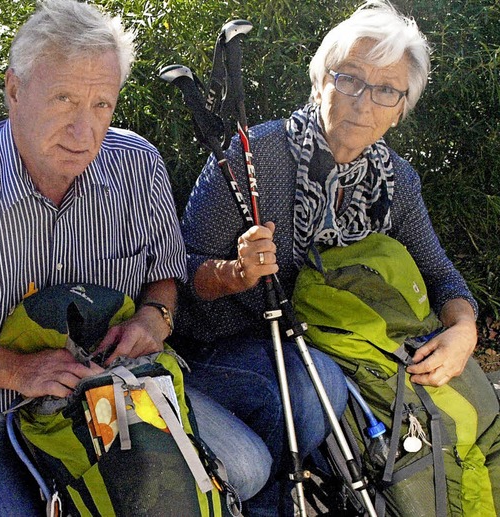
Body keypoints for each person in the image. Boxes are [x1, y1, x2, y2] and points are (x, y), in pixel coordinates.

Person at [0, 1, 270, 515]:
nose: (85, 132)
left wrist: (153, 317)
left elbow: (164, 274)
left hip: (119, 380)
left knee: (247, 469)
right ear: (14, 90)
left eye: (102, 104)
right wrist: (17, 372)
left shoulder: (138, 166)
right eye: (63, 99)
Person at [173, 1, 480, 515]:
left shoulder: (396, 181)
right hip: (220, 348)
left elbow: (443, 276)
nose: (364, 101)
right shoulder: (256, 154)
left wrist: (463, 331)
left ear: (401, 107)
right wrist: (234, 274)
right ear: (320, 81)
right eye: (350, 79)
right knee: (311, 389)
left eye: (386, 90)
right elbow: (177, 273)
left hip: (331, 352)